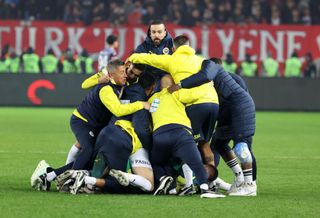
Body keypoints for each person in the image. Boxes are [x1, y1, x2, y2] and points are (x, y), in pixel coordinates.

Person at [30, 59, 150, 191]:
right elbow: (86, 85)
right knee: (87, 150)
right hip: (84, 121)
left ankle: (49, 174)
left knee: (88, 153)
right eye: (129, 72)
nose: (130, 76)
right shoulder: (107, 85)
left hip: (97, 124)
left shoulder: (127, 83)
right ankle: (70, 179)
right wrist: (140, 104)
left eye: (136, 75)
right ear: (127, 65)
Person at [128, 35, 219, 170]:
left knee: (189, 144)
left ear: (173, 48)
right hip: (213, 101)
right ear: (189, 46)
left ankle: (193, 181)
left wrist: (132, 58)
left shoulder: (172, 60)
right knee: (205, 143)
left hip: (195, 104)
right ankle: (212, 180)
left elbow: (150, 58)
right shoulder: (200, 60)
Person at [169, 58, 257, 196]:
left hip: (239, 108)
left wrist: (180, 85)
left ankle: (250, 185)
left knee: (242, 147)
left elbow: (242, 97)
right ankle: (239, 179)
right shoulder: (215, 78)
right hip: (226, 111)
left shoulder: (210, 69)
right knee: (218, 143)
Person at [70, 72, 157, 194]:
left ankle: (63, 175)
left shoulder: (121, 91)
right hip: (126, 140)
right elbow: (141, 129)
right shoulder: (144, 101)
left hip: (105, 132)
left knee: (94, 165)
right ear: (152, 88)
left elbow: (85, 85)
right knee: (146, 185)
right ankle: (90, 179)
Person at [148, 75, 224, 198]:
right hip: (181, 133)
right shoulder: (177, 93)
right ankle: (205, 188)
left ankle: (165, 179)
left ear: (160, 86)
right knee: (196, 163)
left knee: (157, 162)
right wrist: (208, 84)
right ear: (172, 84)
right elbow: (195, 94)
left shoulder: (152, 99)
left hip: (160, 135)